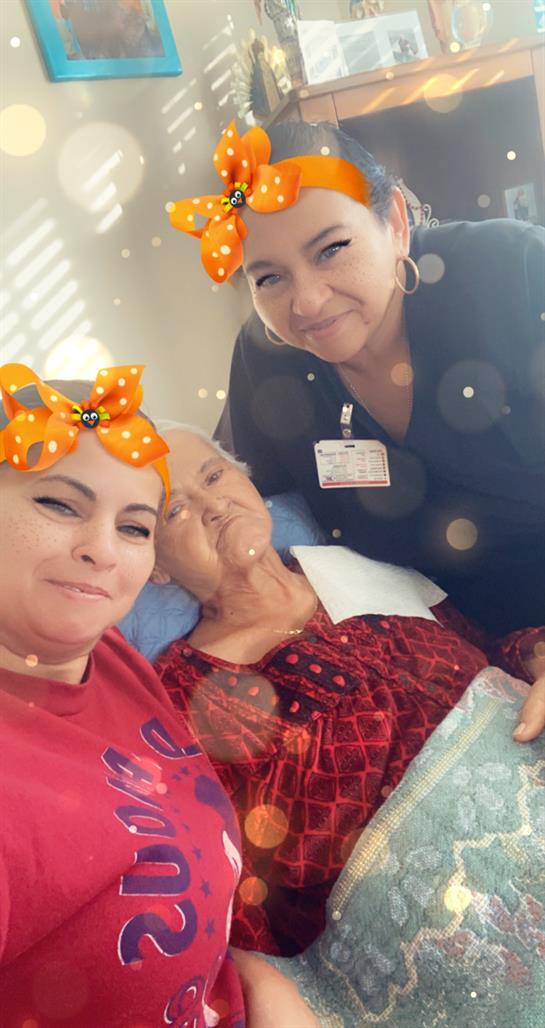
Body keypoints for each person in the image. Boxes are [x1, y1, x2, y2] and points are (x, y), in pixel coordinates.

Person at [0, 364, 318, 1028]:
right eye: (59, 503)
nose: (102, 551)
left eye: (135, 526)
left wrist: (251, 983)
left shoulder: (106, 660)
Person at [151, 425, 545, 956]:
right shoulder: (184, 694)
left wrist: (535, 656)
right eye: (174, 511)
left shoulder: (353, 560)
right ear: (151, 562)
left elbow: (484, 645)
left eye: (215, 475)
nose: (214, 506)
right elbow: (227, 890)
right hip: (449, 943)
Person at [169, 119, 545, 636]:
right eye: (269, 278)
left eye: (332, 249)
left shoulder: (513, 272)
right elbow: (242, 503)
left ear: (394, 222)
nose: (307, 302)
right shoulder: (266, 364)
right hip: (436, 658)